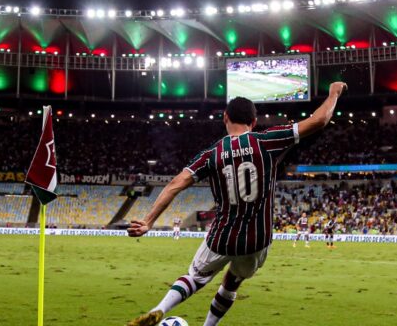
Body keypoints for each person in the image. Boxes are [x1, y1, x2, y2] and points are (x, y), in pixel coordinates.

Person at [126, 82, 347, 326]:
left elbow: (176, 184)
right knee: (232, 281)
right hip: (256, 239)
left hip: (222, 236)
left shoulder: (212, 153)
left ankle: (160, 308)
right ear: (253, 122)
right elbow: (319, 120)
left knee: (195, 277)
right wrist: (334, 92)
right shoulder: (265, 141)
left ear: (225, 118)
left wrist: (148, 221)